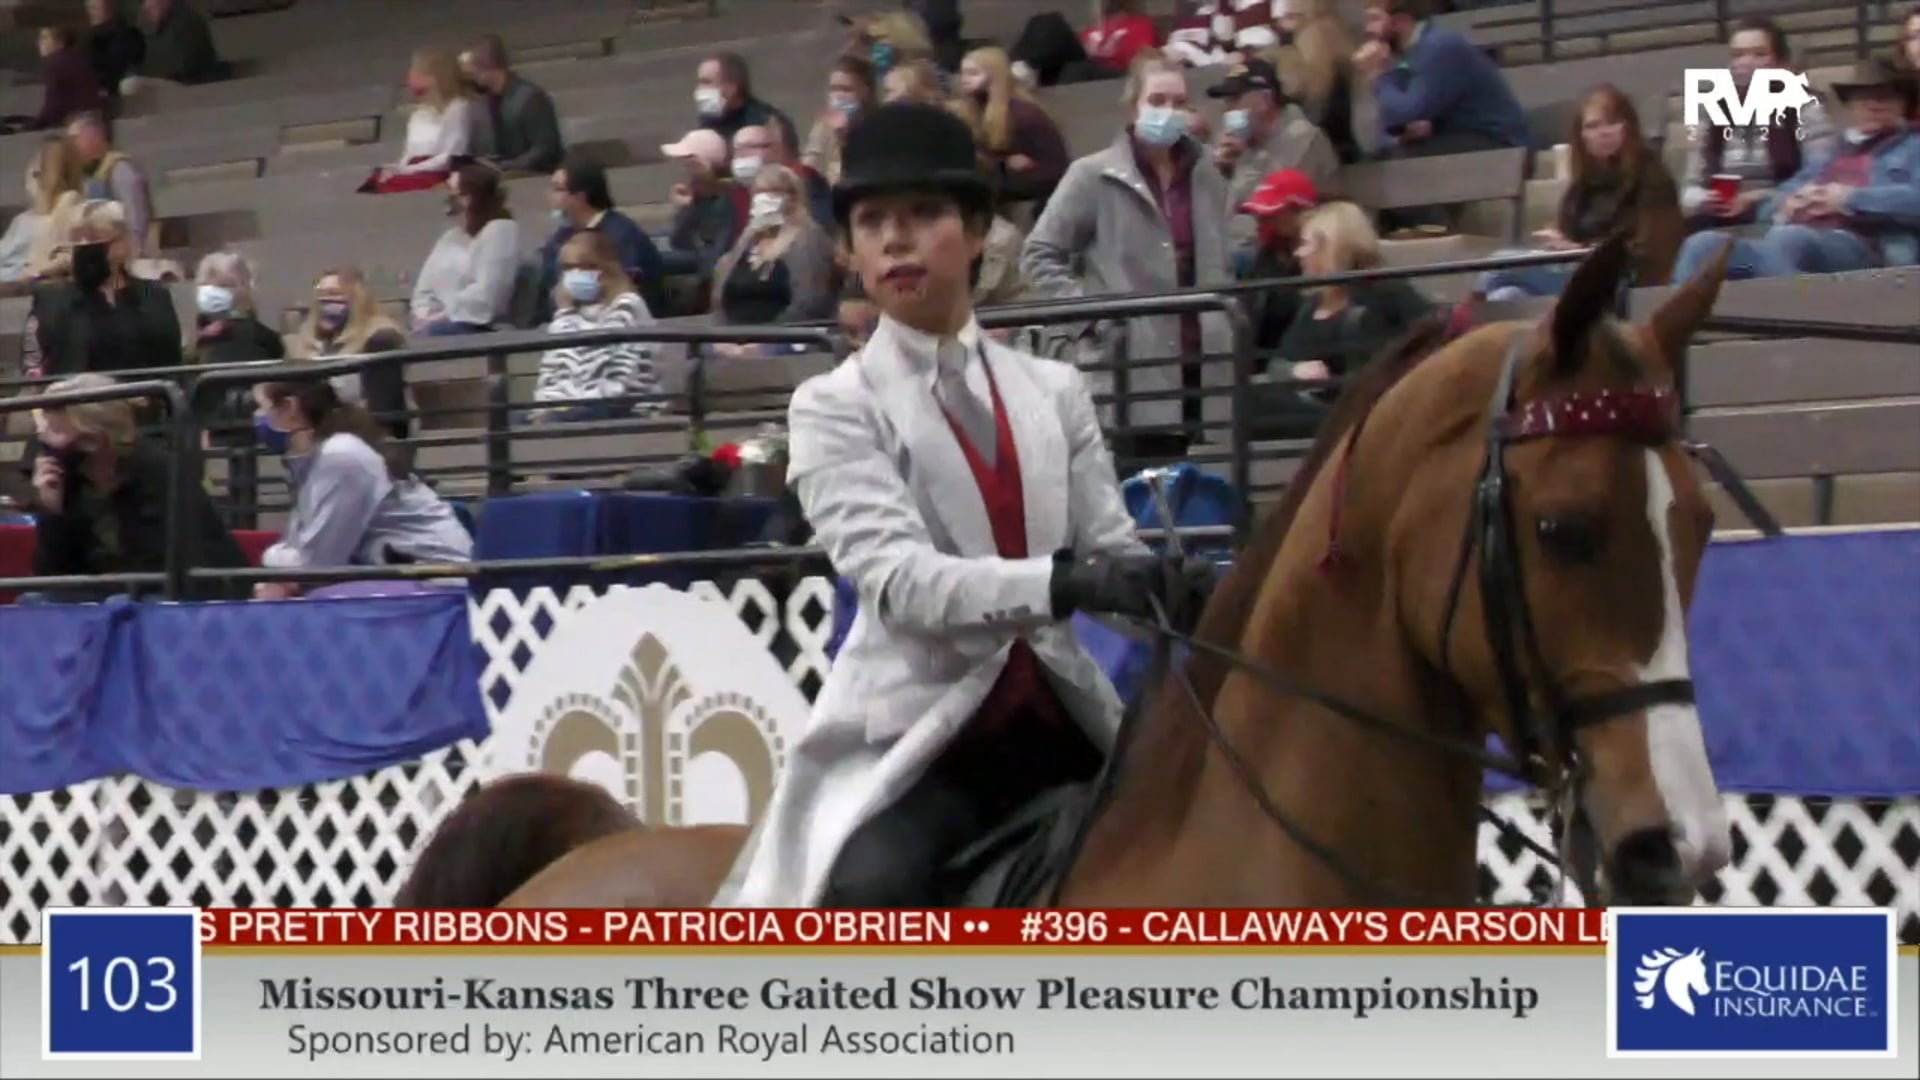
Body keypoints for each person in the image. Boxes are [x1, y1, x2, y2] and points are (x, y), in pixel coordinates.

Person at [714, 102, 1215, 910]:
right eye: (873, 221)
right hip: (922, 742)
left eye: (923, 215)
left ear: (978, 232)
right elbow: (904, 586)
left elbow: (1113, 557)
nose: (896, 239)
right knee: (868, 893)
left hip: (1066, 721)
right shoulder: (833, 406)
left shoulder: (1055, 390)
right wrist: (1065, 584)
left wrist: (1173, 591)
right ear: (848, 250)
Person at [1022, 51, 1234, 464]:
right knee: (1136, 488)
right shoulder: (1092, 174)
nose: (1168, 112)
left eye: (1178, 102)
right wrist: (1093, 316)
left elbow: (1223, 246)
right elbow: (1038, 255)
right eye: (1156, 100)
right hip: (1130, 365)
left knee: (1198, 495)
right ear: (1132, 105)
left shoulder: (1207, 172)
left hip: (1203, 360)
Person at [1671, 57, 1920, 282]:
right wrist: (1789, 202)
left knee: (1789, 240)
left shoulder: (1913, 147)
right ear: (1851, 104)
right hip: (1796, 238)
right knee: (1704, 244)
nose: (1874, 104)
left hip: (1866, 246)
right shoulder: (1832, 154)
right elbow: (1771, 206)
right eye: (1864, 96)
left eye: (1886, 96)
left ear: (1903, 104)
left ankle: (1796, 326)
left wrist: (1849, 198)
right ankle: (1673, 330)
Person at [27, 373, 247, 600]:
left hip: (177, 597)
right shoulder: (69, 480)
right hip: (106, 596)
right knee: (34, 601)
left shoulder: (159, 471)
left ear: (94, 439)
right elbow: (51, 575)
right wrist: (51, 512)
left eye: (55, 431)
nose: (43, 439)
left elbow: (167, 569)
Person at [250, 378, 473, 599]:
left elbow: (316, 566)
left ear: (290, 408)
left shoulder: (342, 455)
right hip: (397, 576)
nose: (258, 418)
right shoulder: (313, 462)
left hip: (440, 583)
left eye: (263, 408)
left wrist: (272, 560)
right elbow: (299, 546)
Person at [1480, 84, 1683, 298]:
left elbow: (1651, 255)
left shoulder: (1652, 177)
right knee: (1507, 296)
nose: (1603, 133)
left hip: (1621, 282)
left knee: (1501, 263)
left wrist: (1577, 249)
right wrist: (1557, 245)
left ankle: (1460, 318)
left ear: (1628, 126)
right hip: (1578, 274)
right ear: (1582, 135)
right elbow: (1567, 241)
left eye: (1612, 123)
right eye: (1593, 126)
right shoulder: (1581, 187)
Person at [1678, 18, 1835, 231]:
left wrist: (1755, 198)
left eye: (1759, 54)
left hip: (1780, 211)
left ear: (1782, 65)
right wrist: (1706, 199)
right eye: (1738, 55)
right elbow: (1690, 188)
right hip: (1719, 217)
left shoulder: (1805, 108)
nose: (1745, 62)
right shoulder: (1713, 112)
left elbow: (1822, 174)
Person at [21, 200, 179, 381]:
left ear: (124, 242)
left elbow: (172, 368)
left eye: (95, 239)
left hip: (145, 399)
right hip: (73, 401)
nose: (85, 246)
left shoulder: (155, 297)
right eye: (77, 242)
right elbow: (32, 364)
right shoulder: (51, 300)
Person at [1355, 0, 1529, 159]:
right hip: (1458, 136)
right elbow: (1392, 119)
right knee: (1380, 155)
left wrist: (1379, 75)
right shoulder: (1407, 54)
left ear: (1402, 20)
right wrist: (1402, 133)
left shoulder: (1439, 47)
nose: (1367, 29)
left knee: (1392, 160)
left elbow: (1407, 111)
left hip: (1497, 142)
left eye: (1374, 19)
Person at [1207, 58, 1340, 258]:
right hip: (1256, 243)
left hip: (1306, 243)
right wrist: (1220, 171)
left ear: (1264, 100)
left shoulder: (1302, 138)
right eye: (1226, 101)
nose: (1227, 109)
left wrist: (1247, 161)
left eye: (1234, 99)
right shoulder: (1246, 143)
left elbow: (1271, 213)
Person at [532, 231, 658, 422]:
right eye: (567, 268)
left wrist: (565, 411)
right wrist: (543, 410)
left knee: (561, 419)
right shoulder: (568, 314)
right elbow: (552, 375)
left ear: (605, 268)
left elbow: (617, 380)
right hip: (574, 408)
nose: (573, 275)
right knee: (508, 420)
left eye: (584, 267)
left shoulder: (628, 305)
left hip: (625, 407)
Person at [285, 267, 411, 439]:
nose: (325, 301)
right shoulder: (305, 340)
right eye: (321, 295)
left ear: (356, 298)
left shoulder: (380, 338)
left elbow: (383, 413)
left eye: (334, 294)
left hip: (365, 439)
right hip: (317, 437)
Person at [537, 154, 665, 320]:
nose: (550, 196)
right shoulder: (560, 238)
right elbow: (546, 290)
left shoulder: (622, 236)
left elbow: (626, 291)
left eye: (558, 189)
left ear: (581, 197)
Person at [712, 163, 837, 329]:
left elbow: (808, 303)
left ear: (792, 198)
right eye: (758, 193)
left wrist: (764, 340)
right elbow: (721, 296)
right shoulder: (747, 239)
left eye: (772, 192)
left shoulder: (808, 239)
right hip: (732, 335)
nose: (762, 199)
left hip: (784, 337)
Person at [952, 46, 1070, 213]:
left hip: (1037, 185)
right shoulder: (970, 110)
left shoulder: (1023, 114)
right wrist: (1003, 161)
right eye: (963, 73)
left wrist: (1001, 163)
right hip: (1003, 181)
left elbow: (1055, 168)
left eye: (974, 73)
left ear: (995, 76)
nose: (965, 79)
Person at [188, 251, 285, 449]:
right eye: (206, 284)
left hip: (233, 433)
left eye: (224, 285)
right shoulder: (197, 340)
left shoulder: (249, 336)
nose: (212, 291)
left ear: (245, 288)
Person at [410, 163, 519, 335]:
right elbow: (424, 287)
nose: (450, 204)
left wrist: (443, 316)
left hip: (478, 325)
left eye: (455, 196)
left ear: (471, 198)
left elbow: (487, 294)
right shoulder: (450, 237)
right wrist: (424, 314)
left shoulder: (500, 231)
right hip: (436, 321)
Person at [363, 48, 471, 195]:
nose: (410, 79)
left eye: (417, 72)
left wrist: (407, 170)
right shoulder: (419, 115)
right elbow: (408, 155)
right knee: (378, 179)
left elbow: (450, 158)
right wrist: (396, 168)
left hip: (438, 171)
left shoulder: (459, 108)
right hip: (416, 170)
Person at [1236, 168, 1321, 348]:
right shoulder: (1262, 258)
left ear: (1300, 211)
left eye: (1270, 215)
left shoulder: (1324, 259)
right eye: (1258, 214)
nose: (1261, 221)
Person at [460, 35, 564, 176]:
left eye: (472, 71)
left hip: (533, 176)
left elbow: (545, 149)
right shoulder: (485, 100)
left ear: (487, 67)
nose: (469, 77)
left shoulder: (530, 98)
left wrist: (505, 167)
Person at [1274, 0, 1361, 164]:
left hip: (1322, 139)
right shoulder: (1335, 34)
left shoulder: (1310, 37)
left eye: (1288, 17)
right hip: (1342, 140)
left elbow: (1296, 88)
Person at [662, 128, 746, 294]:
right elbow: (679, 242)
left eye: (688, 165)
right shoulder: (701, 199)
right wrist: (685, 210)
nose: (684, 171)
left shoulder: (729, 202)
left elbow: (717, 256)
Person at [0, 135, 85, 284]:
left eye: (36, 174)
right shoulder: (23, 219)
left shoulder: (69, 203)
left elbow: (65, 257)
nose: (31, 179)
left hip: (26, 275)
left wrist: (34, 273)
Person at [67, 112, 152, 258]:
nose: (70, 147)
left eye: (75, 138)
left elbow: (136, 220)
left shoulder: (121, 170)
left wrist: (133, 254)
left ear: (95, 136)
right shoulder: (86, 176)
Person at [802, 56, 877, 186]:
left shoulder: (879, 124)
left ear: (866, 92)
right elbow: (809, 167)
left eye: (846, 89)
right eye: (833, 89)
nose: (838, 96)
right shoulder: (823, 126)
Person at [123, 0, 223, 94]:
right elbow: (132, 65)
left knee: (132, 85)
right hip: (161, 86)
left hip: (192, 88)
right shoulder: (139, 22)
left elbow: (181, 68)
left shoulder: (187, 20)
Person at [694, 51, 792, 145]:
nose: (699, 89)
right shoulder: (708, 120)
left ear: (731, 87)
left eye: (706, 82)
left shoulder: (765, 121)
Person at [33, 26, 104, 131]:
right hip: (96, 117)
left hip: (76, 123)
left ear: (60, 41)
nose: (39, 43)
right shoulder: (78, 57)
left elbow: (53, 105)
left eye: (44, 37)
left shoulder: (53, 63)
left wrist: (31, 126)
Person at [83, 0, 145, 102]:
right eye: (90, 7)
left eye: (96, 8)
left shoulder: (128, 36)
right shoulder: (91, 38)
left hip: (119, 95)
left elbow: (116, 67)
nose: (92, 12)